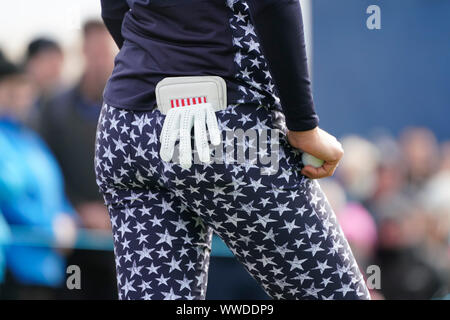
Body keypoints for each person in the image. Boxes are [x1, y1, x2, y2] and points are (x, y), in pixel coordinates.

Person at [96, 0, 370, 300]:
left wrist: (161, 65)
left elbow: (113, 8)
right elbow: (274, 5)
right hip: (223, 123)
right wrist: (304, 127)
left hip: (124, 128)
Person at [34, 20, 117, 299]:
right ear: (82, 52)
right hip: (76, 244)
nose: (99, 60)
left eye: (105, 52)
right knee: (75, 291)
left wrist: (112, 213)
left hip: (124, 240)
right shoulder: (55, 109)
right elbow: (44, 167)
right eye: (93, 52)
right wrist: (79, 209)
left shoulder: (134, 109)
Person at [0, 51, 77, 299]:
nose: (20, 98)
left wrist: (69, 220)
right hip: (15, 271)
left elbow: (55, 193)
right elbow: (9, 196)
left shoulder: (32, 141)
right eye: (11, 90)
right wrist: (50, 227)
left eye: (24, 90)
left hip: (47, 272)